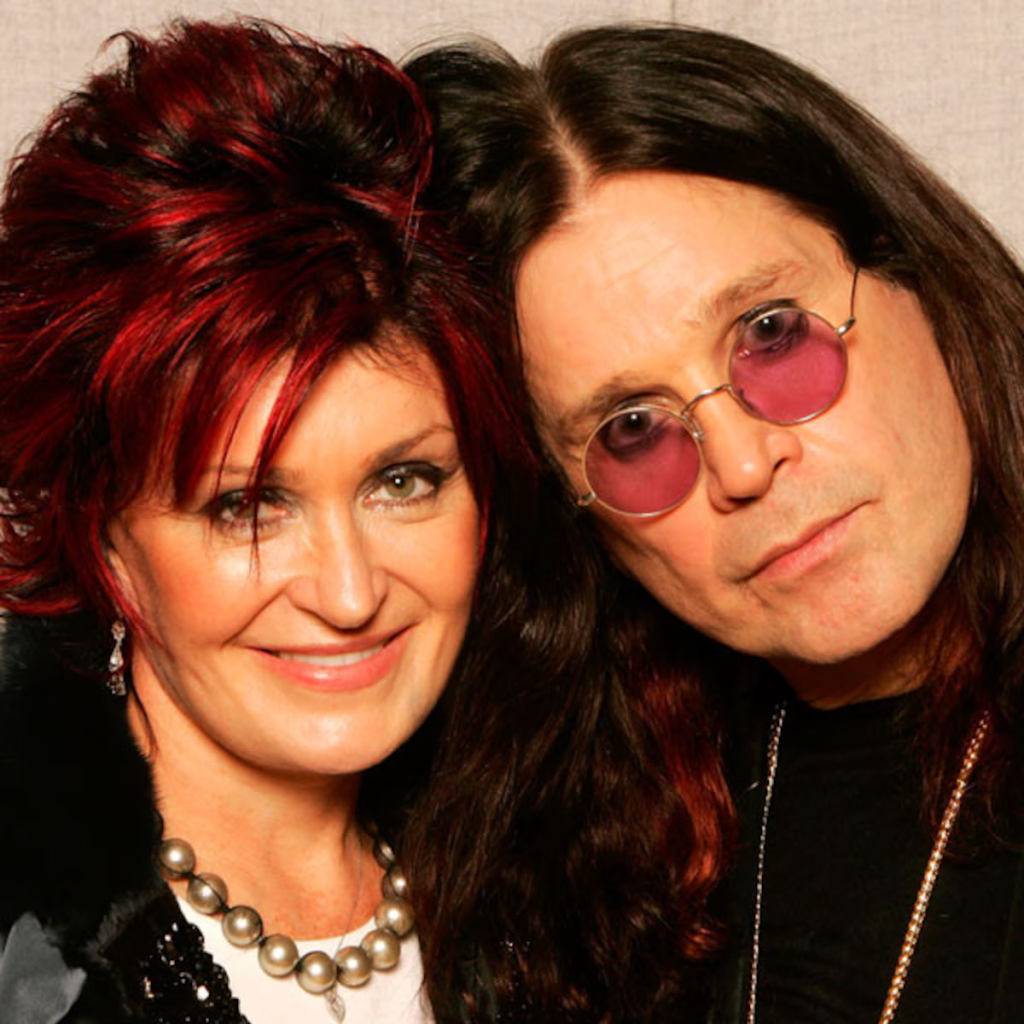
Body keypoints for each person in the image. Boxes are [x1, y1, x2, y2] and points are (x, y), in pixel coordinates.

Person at [0, 19, 734, 1024]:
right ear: (101, 535)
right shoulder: (33, 951)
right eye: (248, 505)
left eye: (405, 480)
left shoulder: (580, 892)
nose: (350, 594)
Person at [407, 23, 1024, 1024]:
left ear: (913, 271)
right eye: (631, 428)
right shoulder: (588, 862)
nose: (742, 466)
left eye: (771, 333)